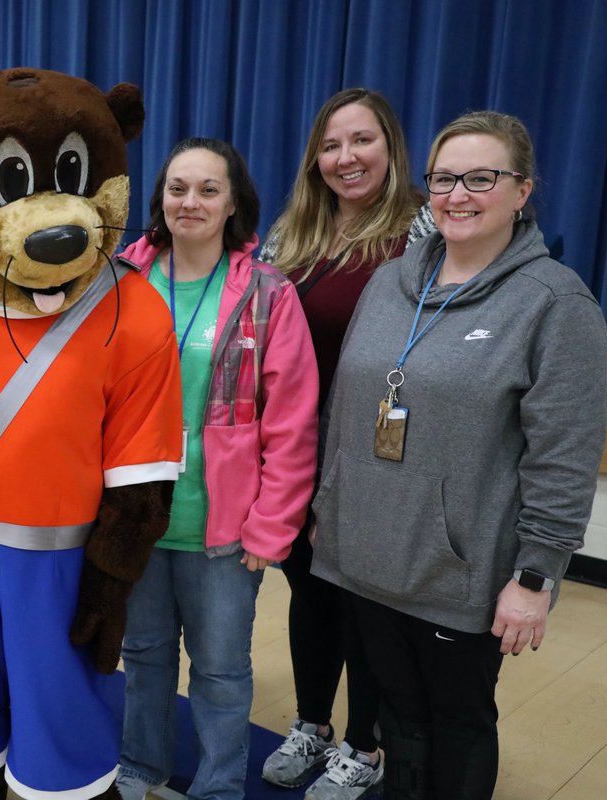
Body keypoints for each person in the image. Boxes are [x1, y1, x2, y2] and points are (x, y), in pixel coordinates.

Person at [310, 111, 607, 799]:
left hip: (460, 573)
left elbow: (563, 457)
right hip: (367, 558)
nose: (458, 195)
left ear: (522, 191)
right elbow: (348, 412)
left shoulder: (555, 305)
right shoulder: (391, 284)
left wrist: (536, 578)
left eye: (481, 178)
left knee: (456, 726)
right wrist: (332, 507)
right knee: (396, 720)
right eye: (444, 179)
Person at [116, 138, 319, 800]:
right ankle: (139, 767)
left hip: (223, 530)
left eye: (208, 189)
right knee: (144, 658)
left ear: (234, 201)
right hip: (135, 519)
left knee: (221, 671)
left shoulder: (267, 293)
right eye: (178, 188)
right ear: (160, 197)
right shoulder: (120, 279)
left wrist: (271, 527)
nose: (191, 202)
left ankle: (218, 786)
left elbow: (292, 423)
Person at [258, 88, 426, 798]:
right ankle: (312, 724)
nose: (345, 158)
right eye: (331, 145)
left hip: (374, 451)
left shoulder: (421, 230)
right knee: (310, 590)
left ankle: (364, 743)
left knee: (363, 600)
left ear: (390, 147)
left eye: (362, 141)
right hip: (294, 448)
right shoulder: (290, 232)